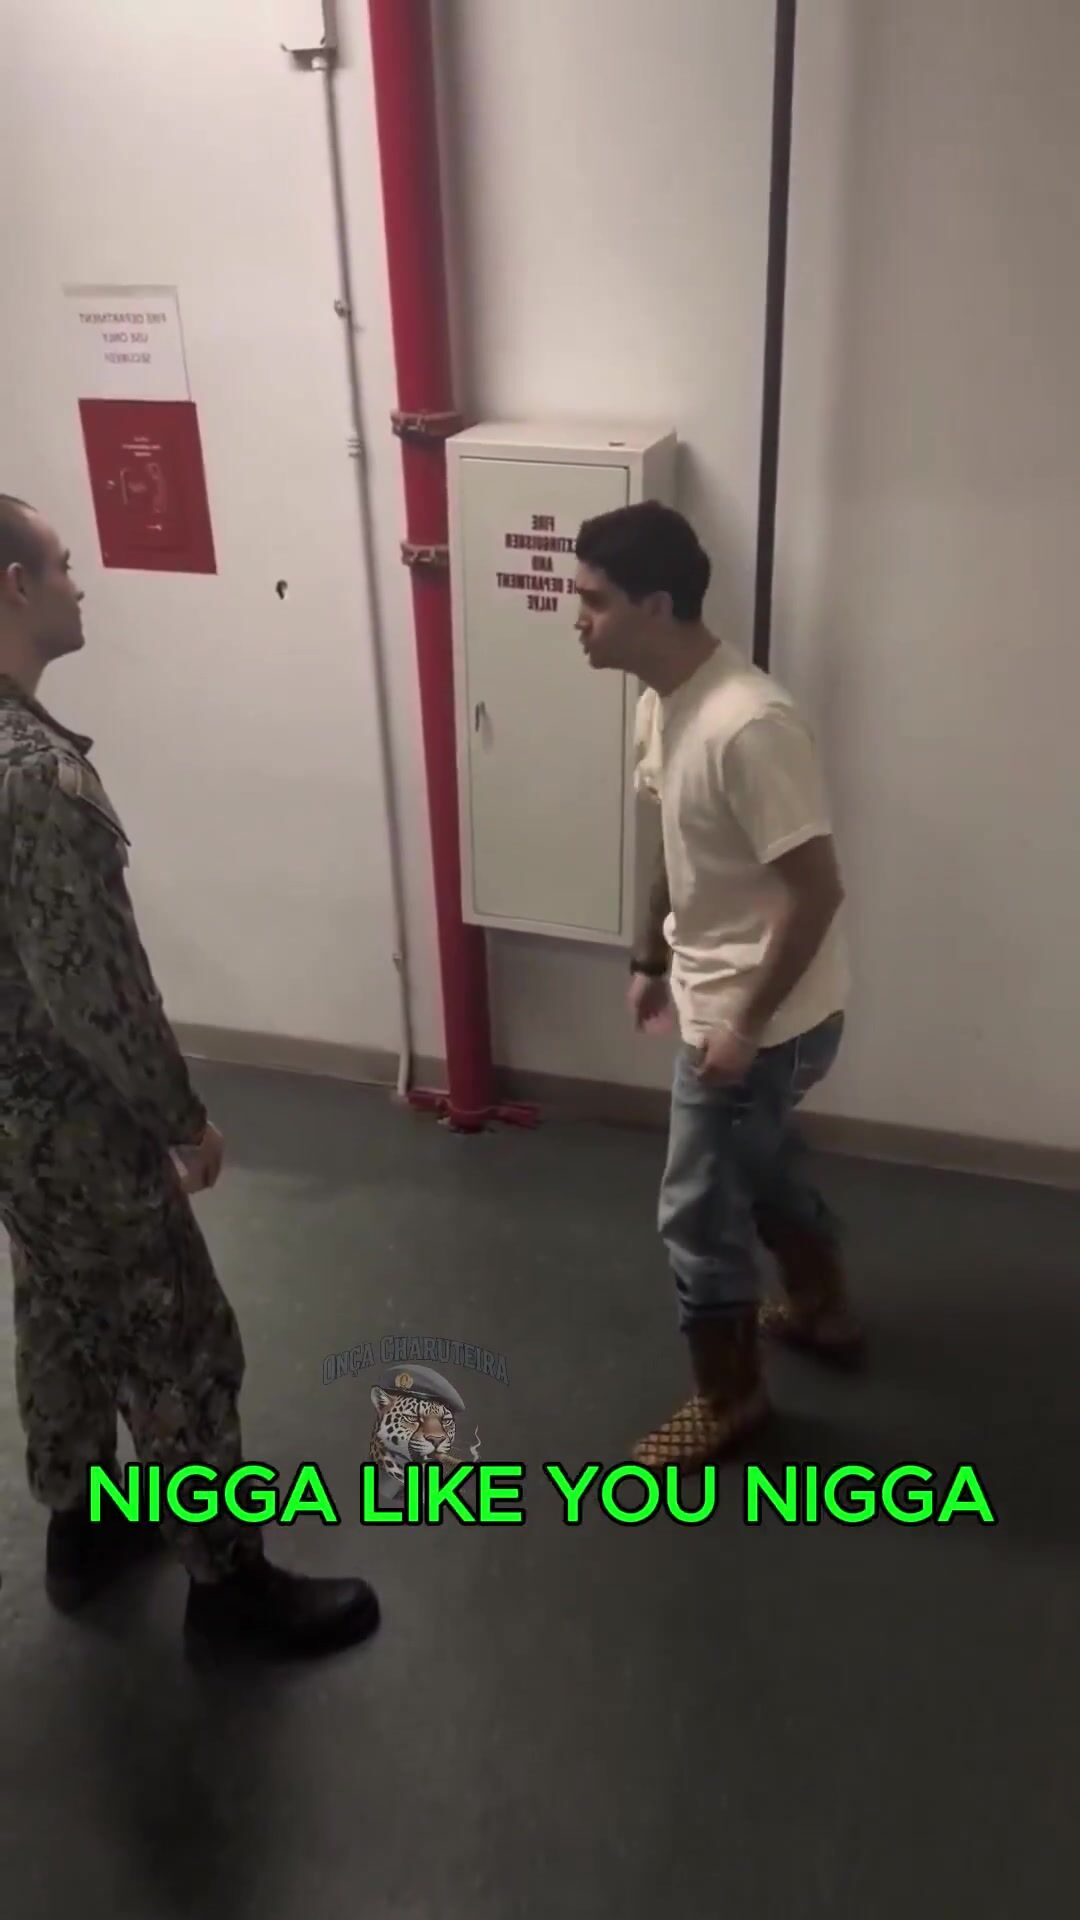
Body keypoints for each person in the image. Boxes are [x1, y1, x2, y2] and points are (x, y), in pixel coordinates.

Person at [0, 494, 379, 1656]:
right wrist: (182, 1120)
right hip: (78, 1128)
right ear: (14, 587)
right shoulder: (35, 782)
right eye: (63, 565)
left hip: (11, 1126)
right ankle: (230, 1587)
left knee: (58, 1310)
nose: (80, 584)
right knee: (179, 1341)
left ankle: (82, 1526)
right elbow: (94, 993)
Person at [574, 501, 864, 1473]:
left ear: (656, 605)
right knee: (761, 1162)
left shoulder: (750, 726)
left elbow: (816, 890)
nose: (577, 619)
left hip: (766, 1020)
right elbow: (676, 835)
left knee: (696, 1208)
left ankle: (731, 1401)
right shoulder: (663, 702)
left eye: (594, 601)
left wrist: (741, 1022)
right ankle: (822, 1309)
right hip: (724, 998)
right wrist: (651, 959)